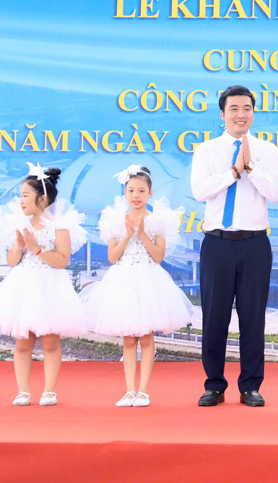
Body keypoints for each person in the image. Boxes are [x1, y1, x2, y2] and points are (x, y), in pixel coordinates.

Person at [191, 85, 278, 408]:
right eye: (234, 109)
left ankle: (250, 387)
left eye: (246, 108)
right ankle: (214, 385)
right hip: (217, 244)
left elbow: (275, 193)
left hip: (255, 244)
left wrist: (251, 168)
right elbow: (200, 191)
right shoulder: (206, 150)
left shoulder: (267, 151)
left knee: (252, 318)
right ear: (222, 114)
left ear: (253, 113)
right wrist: (233, 172)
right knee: (214, 318)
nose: (240, 114)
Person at [81, 165, 194, 407]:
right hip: (123, 280)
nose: (136, 195)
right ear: (124, 192)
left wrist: (142, 234)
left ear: (149, 193)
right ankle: (129, 390)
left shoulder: (158, 221)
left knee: (146, 337)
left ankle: (144, 391)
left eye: (141, 190)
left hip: (149, 280)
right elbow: (112, 257)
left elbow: (159, 256)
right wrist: (127, 234)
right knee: (128, 339)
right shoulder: (114, 220)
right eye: (131, 190)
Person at [0, 164, 87, 406]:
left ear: (42, 199)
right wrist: (19, 246)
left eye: (25, 196)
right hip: (23, 286)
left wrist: (36, 248)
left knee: (50, 341)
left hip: (50, 287)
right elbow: (11, 261)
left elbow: (62, 261)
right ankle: (23, 390)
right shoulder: (20, 224)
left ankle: (49, 390)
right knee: (22, 341)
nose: (20, 201)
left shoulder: (60, 226)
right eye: (20, 196)